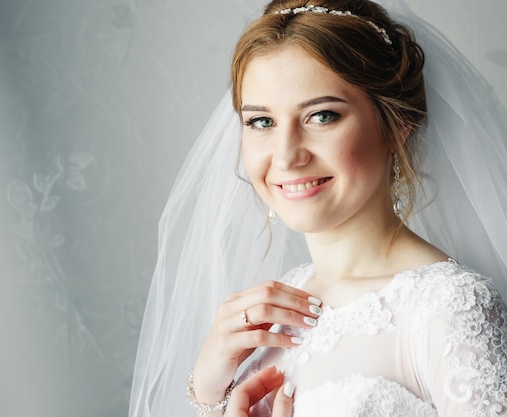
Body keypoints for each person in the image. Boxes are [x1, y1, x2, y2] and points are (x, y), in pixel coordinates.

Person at [129, 0, 507, 416]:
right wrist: (208, 391)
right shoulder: (273, 309)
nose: (287, 156)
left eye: (322, 116)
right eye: (261, 122)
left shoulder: (448, 309)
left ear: (397, 125)